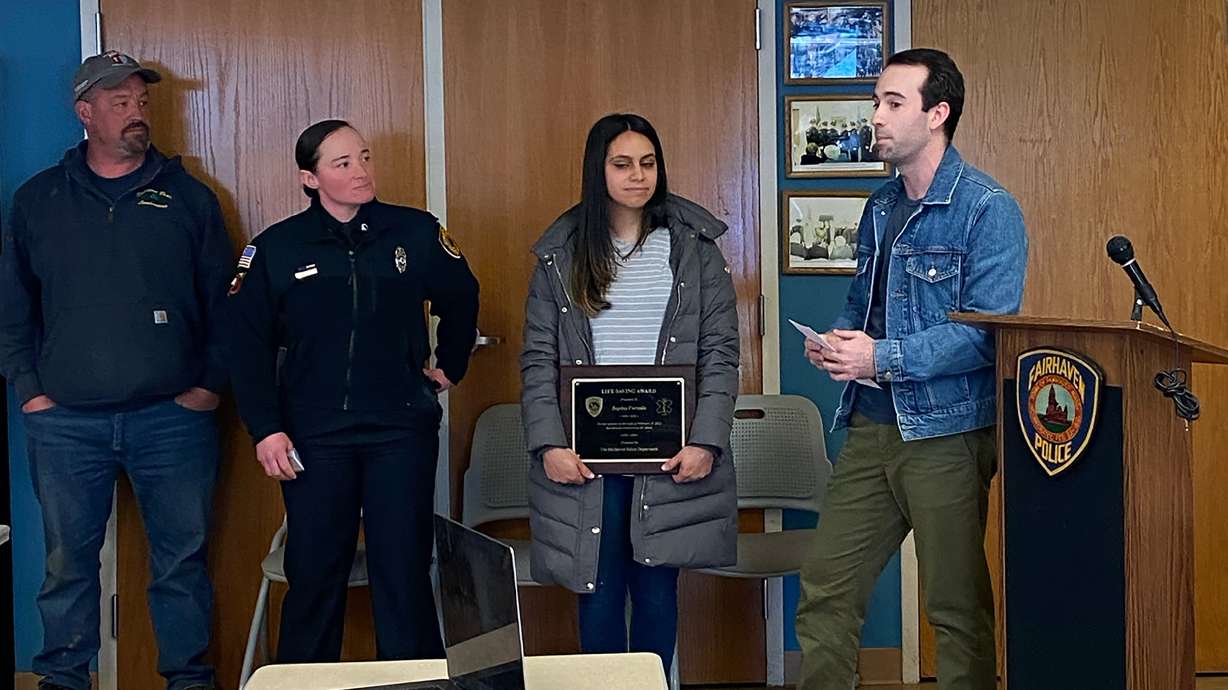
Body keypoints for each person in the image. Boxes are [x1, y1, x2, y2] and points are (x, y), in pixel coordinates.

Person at [794, 48, 1028, 690]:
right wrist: (838, 343)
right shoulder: (880, 206)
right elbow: (863, 306)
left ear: (937, 114)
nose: (877, 116)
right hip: (871, 425)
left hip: (946, 435)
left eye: (893, 103)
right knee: (826, 588)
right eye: (877, 102)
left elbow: (985, 335)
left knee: (955, 606)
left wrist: (881, 356)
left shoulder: (987, 208)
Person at [0, 51, 230, 690]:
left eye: (142, 102)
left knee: (181, 563)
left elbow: (227, 307)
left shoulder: (188, 198)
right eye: (120, 102)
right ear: (85, 113)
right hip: (65, 423)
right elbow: (13, 307)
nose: (136, 113)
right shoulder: (39, 200)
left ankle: (189, 680)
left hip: (172, 421)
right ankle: (64, 679)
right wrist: (30, 391)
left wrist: (208, 388)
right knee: (67, 566)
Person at [225, 120, 479, 663]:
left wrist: (449, 365)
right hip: (314, 436)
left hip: (399, 430)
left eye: (364, 157)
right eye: (342, 163)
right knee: (315, 573)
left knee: (403, 571)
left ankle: (413, 680)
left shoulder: (413, 232)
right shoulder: (276, 248)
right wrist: (265, 428)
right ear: (310, 178)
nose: (361, 171)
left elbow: (462, 295)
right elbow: (245, 346)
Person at [520, 113, 739, 674]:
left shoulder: (694, 249)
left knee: (656, 589)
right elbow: (538, 360)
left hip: (669, 451)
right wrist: (549, 445)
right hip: (585, 455)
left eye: (648, 163)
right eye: (622, 164)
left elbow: (720, 355)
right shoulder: (562, 253)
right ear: (598, 171)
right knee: (596, 586)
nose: (638, 176)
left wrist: (706, 442)